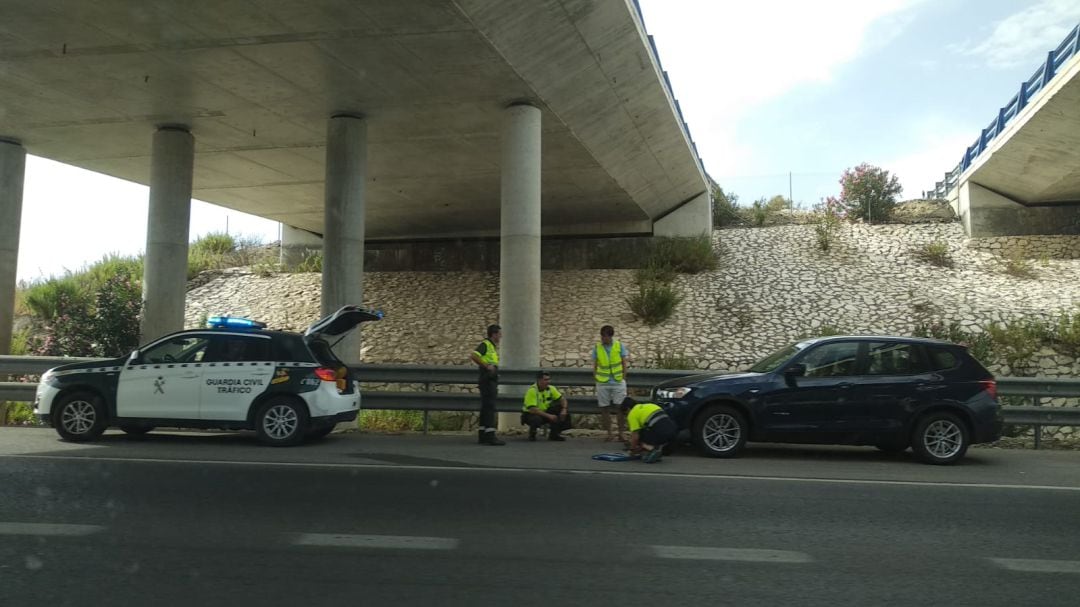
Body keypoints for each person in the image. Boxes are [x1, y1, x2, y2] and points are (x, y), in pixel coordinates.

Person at [469, 324, 505, 446]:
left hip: (487, 379)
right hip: (488, 379)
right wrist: (487, 366)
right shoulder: (486, 345)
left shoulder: (491, 346)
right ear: (494, 334)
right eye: (499, 334)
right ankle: (490, 435)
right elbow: (474, 356)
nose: (501, 336)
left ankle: (483, 434)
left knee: (485, 407)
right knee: (490, 407)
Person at [593, 325, 629, 442]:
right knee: (604, 408)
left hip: (617, 381)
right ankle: (609, 433)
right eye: (602, 336)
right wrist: (595, 376)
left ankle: (621, 433)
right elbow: (595, 363)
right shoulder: (597, 347)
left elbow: (624, 362)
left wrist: (623, 377)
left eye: (605, 337)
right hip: (603, 382)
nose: (603, 339)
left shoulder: (619, 346)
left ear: (610, 336)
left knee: (620, 407)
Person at [620, 397, 676, 464]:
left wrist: (632, 449)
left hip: (661, 433)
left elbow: (635, 436)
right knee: (648, 428)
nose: (626, 415)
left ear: (628, 409)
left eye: (625, 413)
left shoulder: (632, 413)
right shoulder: (650, 405)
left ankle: (652, 449)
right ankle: (657, 451)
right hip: (673, 432)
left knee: (638, 434)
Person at [521, 371, 571, 442]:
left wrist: (564, 409)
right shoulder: (532, 391)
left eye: (549, 379)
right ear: (539, 380)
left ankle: (554, 434)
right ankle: (532, 434)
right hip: (530, 414)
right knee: (536, 419)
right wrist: (549, 416)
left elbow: (562, 399)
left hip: (544, 412)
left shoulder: (551, 389)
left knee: (560, 410)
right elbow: (532, 409)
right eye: (546, 380)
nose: (548, 382)